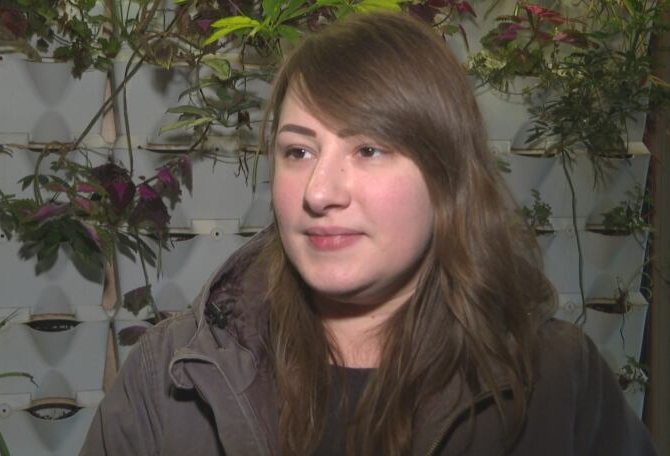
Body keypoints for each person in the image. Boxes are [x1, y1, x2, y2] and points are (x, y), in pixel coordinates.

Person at [80, 11, 656, 455]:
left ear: (447, 174)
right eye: (299, 150)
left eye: (369, 148)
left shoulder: (557, 381)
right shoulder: (171, 377)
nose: (319, 190)